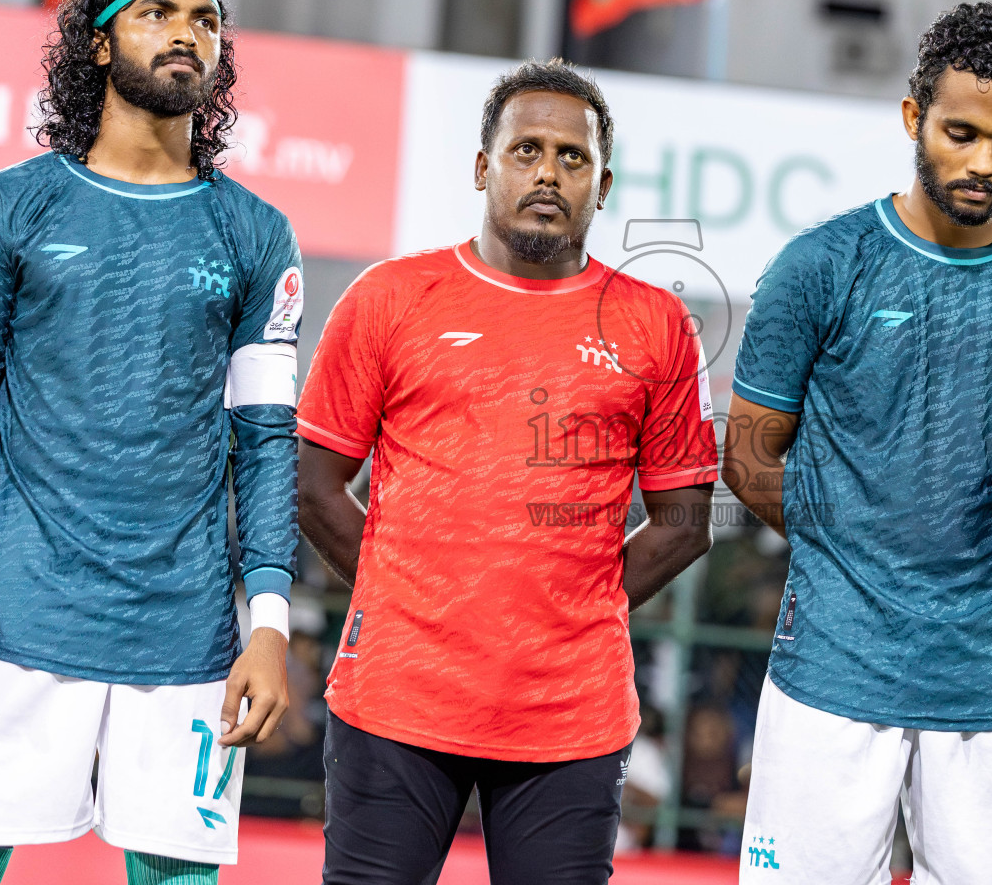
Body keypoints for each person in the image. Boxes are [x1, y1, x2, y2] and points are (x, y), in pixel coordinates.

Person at [0, 0, 300, 884]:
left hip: (188, 634)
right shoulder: (9, 206)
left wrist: (271, 623)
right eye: (157, 13)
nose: (186, 33)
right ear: (97, 45)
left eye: (205, 19)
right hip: (15, 615)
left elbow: (267, 442)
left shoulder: (256, 231)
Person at [297, 58, 718, 885]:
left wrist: (573, 608)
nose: (549, 173)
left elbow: (684, 524)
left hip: (571, 714)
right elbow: (313, 487)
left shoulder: (658, 325)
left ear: (603, 186)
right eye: (527, 151)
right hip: (398, 696)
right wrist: (403, 595)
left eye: (573, 157)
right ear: (484, 168)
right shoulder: (388, 299)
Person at [724, 2, 992, 883]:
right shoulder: (820, 265)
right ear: (912, 118)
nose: (983, 162)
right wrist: (856, 554)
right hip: (833, 666)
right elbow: (746, 460)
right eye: (960, 132)